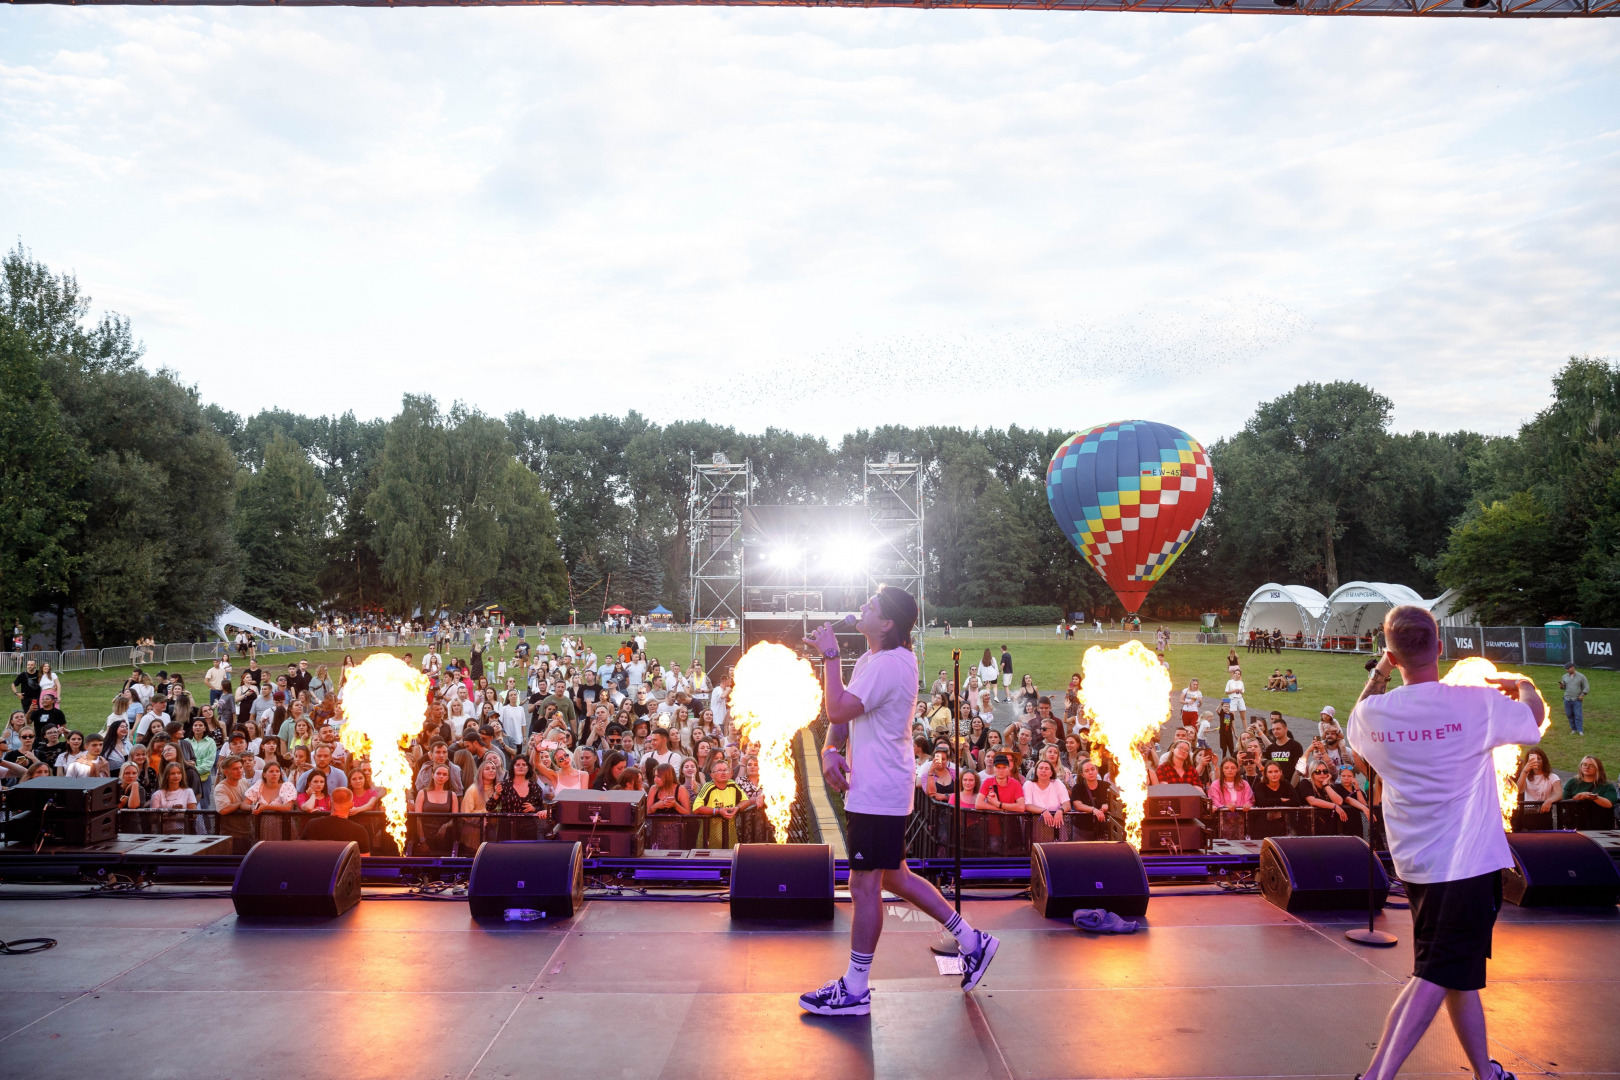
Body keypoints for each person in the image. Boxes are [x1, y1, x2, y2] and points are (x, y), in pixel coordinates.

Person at [1347, 604, 1545, 1080]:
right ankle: (1377, 1075)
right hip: (1467, 865)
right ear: (1439, 648)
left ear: (1391, 656)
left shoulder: (1373, 714)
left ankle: (1485, 1073)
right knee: (1437, 971)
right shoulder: (1473, 704)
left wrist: (1380, 670)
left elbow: (1357, 747)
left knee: (1457, 972)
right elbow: (1534, 720)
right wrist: (1522, 685)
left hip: (1418, 863)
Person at [800, 587, 998, 1017]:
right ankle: (972, 940)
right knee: (893, 877)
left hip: (878, 790)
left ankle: (855, 989)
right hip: (877, 787)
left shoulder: (889, 664)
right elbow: (844, 719)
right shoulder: (873, 660)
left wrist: (830, 657)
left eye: (871, 605)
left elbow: (834, 709)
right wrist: (830, 752)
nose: (862, 608)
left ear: (887, 623)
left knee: (864, 884)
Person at [299, 786, 373, 851]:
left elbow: (302, 851)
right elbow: (364, 859)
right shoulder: (359, 831)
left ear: (329, 804)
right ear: (351, 805)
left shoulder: (312, 825)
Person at [1559, 662, 1589, 736]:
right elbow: (1563, 688)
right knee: (1569, 714)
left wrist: (1582, 695)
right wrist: (1561, 686)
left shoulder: (1581, 677)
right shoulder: (1564, 676)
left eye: (1568, 668)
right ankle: (1573, 729)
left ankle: (1580, 730)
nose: (1567, 670)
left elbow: (1586, 687)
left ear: (1573, 667)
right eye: (1566, 669)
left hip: (1576, 699)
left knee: (1578, 715)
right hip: (1567, 699)